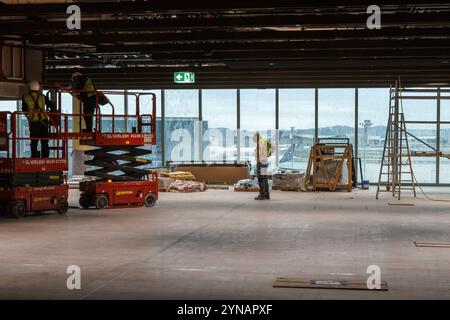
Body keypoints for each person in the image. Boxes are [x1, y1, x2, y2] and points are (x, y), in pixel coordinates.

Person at [22, 81, 51, 158]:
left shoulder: (25, 97)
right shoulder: (42, 96)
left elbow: (24, 110)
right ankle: (45, 156)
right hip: (43, 121)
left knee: (34, 141)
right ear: (38, 88)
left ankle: (34, 156)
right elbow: (51, 105)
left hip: (33, 122)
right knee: (44, 141)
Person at [253, 132, 274, 200]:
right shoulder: (264, 141)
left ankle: (262, 195)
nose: (255, 141)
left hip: (261, 163)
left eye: (255, 139)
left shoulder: (260, 142)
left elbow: (259, 152)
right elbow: (273, 147)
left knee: (261, 179)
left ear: (257, 137)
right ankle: (267, 195)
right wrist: (268, 154)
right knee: (264, 179)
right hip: (265, 162)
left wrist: (261, 155)